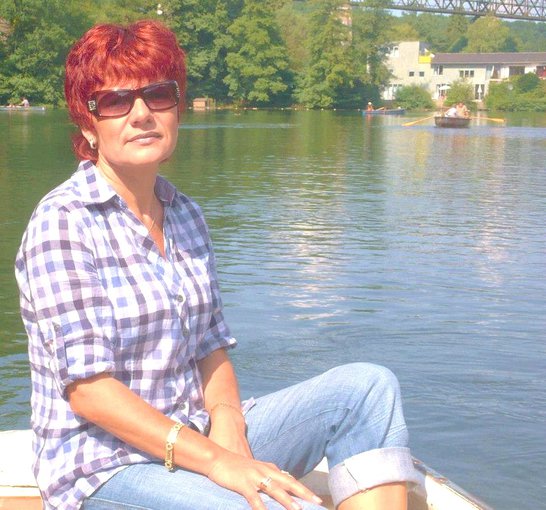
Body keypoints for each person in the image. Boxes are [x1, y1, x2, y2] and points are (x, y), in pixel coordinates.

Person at [15, 20, 419, 510]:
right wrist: (217, 462)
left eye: (158, 95)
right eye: (117, 101)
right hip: (104, 467)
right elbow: (90, 392)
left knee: (366, 389)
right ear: (88, 124)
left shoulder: (185, 215)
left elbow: (210, 347)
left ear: (176, 109)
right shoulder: (63, 223)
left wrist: (228, 422)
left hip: (195, 437)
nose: (141, 114)